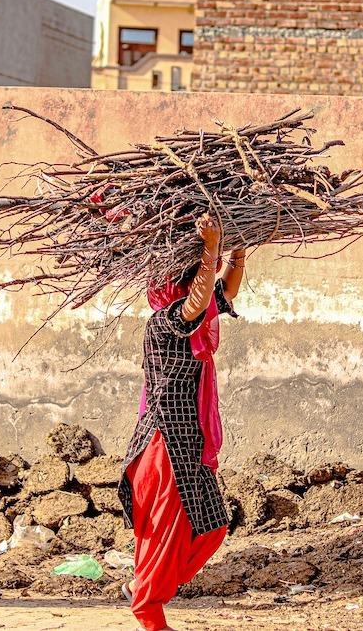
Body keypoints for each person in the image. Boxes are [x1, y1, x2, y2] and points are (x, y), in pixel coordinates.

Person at [118, 213, 247, 631]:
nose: (205, 292)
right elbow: (195, 304)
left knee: (212, 524)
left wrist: (237, 250)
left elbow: (222, 292)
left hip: (185, 443)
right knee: (163, 533)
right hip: (163, 445)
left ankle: (148, 590)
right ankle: (149, 609)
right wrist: (211, 247)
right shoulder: (165, 322)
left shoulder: (196, 314)